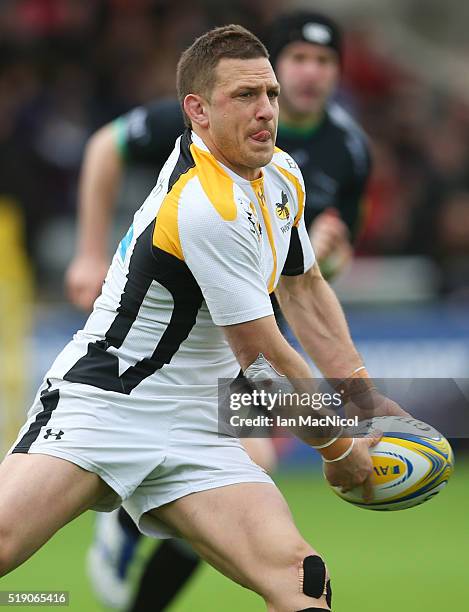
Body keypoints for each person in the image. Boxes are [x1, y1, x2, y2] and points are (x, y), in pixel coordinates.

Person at [1, 24, 405, 612]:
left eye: (269, 93)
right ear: (197, 110)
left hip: (199, 423)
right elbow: (263, 363)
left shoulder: (281, 175)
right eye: (245, 96)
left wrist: (362, 401)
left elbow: (307, 290)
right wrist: (341, 449)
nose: (267, 109)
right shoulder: (202, 201)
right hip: (108, 404)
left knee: (301, 577)